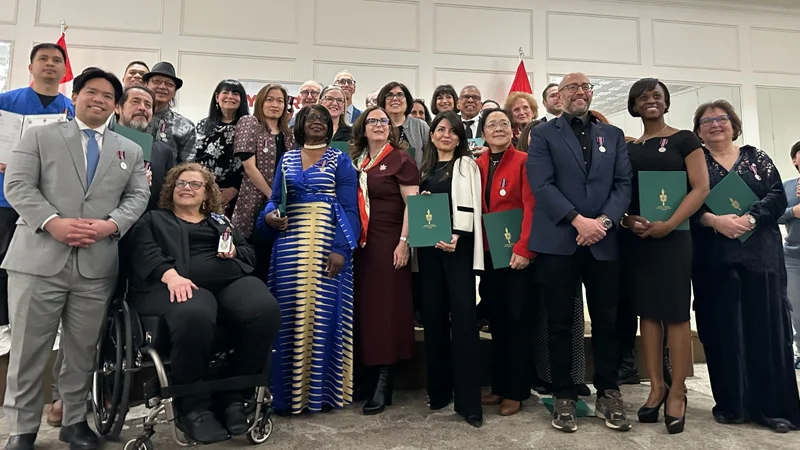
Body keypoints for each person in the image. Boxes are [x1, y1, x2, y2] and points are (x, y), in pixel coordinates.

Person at [2, 68, 149, 450]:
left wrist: (109, 226)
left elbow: (137, 197)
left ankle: (73, 421)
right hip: (38, 259)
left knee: (83, 350)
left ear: (116, 106)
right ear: (77, 95)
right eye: (91, 92)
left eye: (107, 96)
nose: (98, 100)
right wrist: (53, 223)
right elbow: (17, 185)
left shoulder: (129, 150)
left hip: (96, 263)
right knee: (29, 349)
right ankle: (22, 429)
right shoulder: (39, 137)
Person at [126, 163, 280, 444]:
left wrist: (234, 250)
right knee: (196, 308)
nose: (187, 188)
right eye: (181, 183)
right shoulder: (153, 220)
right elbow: (143, 251)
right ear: (171, 189)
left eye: (195, 184)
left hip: (228, 282)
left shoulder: (220, 221)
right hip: (171, 285)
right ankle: (193, 405)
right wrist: (171, 276)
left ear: (207, 193)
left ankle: (235, 394)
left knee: (264, 309)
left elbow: (248, 252)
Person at [527, 72, 632, 433]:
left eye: (586, 88)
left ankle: (608, 391)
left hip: (603, 241)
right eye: (572, 87)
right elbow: (541, 184)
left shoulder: (613, 135)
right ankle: (563, 395)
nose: (580, 93)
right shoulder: (542, 134)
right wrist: (577, 221)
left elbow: (622, 184)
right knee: (559, 322)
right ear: (560, 95)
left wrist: (601, 223)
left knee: (607, 321)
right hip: (559, 241)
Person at [691, 100, 800, 433]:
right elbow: (685, 204)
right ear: (698, 130)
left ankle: (774, 408)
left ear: (733, 124)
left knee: (766, 328)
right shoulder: (694, 162)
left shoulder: (758, 158)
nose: (715, 125)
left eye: (722, 119)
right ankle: (731, 404)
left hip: (761, 257)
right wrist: (712, 220)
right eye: (707, 121)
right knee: (721, 330)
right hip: (714, 258)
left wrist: (751, 218)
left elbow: (777, 197)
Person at [257, 105, 360, 414]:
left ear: (331, 126)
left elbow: (351, 208)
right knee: (288, 316)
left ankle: (321, 395)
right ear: (299, 125)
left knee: (323, 317)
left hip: (327, 245)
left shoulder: (341, 160)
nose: (316, 122)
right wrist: (270, 216)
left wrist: (342, 250)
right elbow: (274, 199)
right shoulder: (287, 159)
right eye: (310, 118)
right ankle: (286, 395)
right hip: (289, 247)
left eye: (322, 119)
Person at [621, 78, 709, 434]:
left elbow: (701, 187)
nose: (651, 101)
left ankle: (677, 391)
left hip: (675, 238)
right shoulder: (629, 148)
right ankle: (655, 386)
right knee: (648, 313)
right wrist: (627, 220)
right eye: (643, 98)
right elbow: (623, 193)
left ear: (666, 102)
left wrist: (670, 223)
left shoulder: (685, 139)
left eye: (657, 96)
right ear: (635, 106)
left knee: (674, 315)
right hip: (639, 239)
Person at [0, 42, 76, 428]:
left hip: (55, 210)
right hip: (4, 201)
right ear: (30, 66)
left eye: (56, 60)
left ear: (64, 69)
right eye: (43, 59)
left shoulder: (72, 111)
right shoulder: (5, 101)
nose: (50, 64)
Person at [349, 107, 419, 415]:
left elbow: (413, 205)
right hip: (360, 245)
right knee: (363, 309)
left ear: (391, 129)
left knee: (384, 310)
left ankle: (383, 381)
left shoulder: (400, 160)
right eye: (372, 121)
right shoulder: (357, 163)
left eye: (383, 121)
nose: (378, 125)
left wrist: (404, 243)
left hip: (389, 242)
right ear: (362, 129)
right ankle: (365, 375)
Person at [417, 110, 484, 428]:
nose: (445, 134)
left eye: (452, 131)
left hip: (457, 249)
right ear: (431, 135)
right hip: (430, 252)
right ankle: (439, 391)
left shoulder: (465, 165)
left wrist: (457, 234)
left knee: (464, 320)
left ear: (460, 137)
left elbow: (471, 203)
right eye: (440, 129)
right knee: (433, 320)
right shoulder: (426, 168)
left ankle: (469, 401)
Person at [517, 120, 589, 398]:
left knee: (569, 314)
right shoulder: (524, 165)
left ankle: (574, 375)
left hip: (565, 244)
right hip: (528, 247)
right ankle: (544, 374)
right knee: (538, 315)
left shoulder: (563, 169)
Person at [475, 108, 535, 417]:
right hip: (487, 255)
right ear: (482, 133)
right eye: (491, 124)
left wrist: (524, 249)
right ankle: (499, 386)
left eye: (503, 123)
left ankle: (516, 390)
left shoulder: (524, 162)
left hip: (516, 256)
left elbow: (531, 207)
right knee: (496, 322)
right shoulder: (476, 164)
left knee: (516, 322)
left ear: (512, 131)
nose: (497, 128)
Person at [230, 84, 294, 279]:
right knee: (252, 257)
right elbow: (249, 167)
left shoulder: (288, 133)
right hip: (254, 200)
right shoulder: (250, 123)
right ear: (260, 101)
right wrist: (272, 196)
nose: (275, 104)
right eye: (270, 99)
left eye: (280, 101)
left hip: (281, 204)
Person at [112, 85, 175, 210]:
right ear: (118, 108)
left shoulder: (163, 151)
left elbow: (166, 198)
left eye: (148, 105)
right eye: (135, 102)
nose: (142, 108)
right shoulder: (100, 142)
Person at [194, 79, 249, 215]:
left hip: (237, 195)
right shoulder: (202, 125)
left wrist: (235, 189)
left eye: (235, 93)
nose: (230, 96)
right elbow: (194, 158)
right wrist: (207, 190)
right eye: (225, 92)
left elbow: (253, 163)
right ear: (217, 97)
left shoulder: (248, 127)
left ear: (241, 100)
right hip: (203, 191)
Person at [143, 61, 196, 162]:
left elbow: (186, 166)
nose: (162, 87)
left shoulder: (185, 126)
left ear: (175, 91)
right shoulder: (131, 117)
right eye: (157, 81)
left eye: (169, 84)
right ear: (145, 85)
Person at [780, 140, 800, 367]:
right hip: (793, 256)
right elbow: (774, 216)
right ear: (794, 160)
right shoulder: (786, 186)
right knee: (797, 311)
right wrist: (793, 211)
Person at [377, 82, 429, 167]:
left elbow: (430, 156)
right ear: (383, 101)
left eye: (400, 95)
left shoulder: (421, 126)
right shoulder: (377, 126)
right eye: (390, 95)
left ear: (407, 101)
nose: (395, 99)